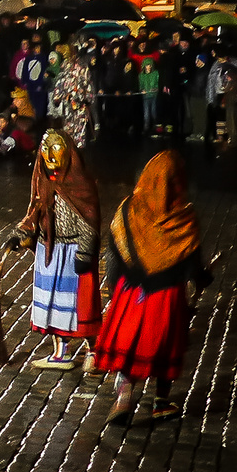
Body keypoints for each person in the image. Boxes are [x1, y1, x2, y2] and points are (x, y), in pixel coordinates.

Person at [94, 151, 213, 425]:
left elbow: (114, 252)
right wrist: (203, 279)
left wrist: (115, 289)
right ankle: (161, 401)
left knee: (130, 345)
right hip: (167, 296)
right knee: (165, 347)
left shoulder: (128, 209)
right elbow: (192, 265)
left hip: (132, 292)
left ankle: (124, 395)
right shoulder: (183, 218)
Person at [10, 129, 102, 370]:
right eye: (45, 147)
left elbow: (89, 220)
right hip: (50, 251)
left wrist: (85, 251)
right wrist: (22, 234)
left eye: (56, 147)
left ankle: (94, 349)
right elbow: (35, 210)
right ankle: (61, 352)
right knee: (55, 305)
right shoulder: (43, 181)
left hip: (73, 252)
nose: (49, 155)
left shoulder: (80, 185)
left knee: (80, 306)